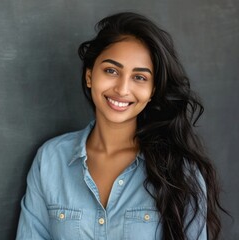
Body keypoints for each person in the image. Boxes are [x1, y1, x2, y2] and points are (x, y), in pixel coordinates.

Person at [16, 12, 225, 239]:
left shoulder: (181, 171)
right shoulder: (50, 160)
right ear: (89, 75)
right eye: (111, 71)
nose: (122, 89)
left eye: (140, 77)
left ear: (152, 90)